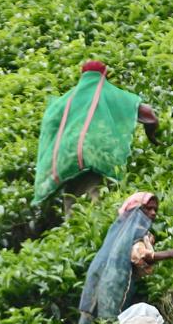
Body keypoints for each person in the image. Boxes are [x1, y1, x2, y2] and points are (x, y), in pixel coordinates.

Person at [32, 60, 161, 215]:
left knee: (73, 209)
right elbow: (150, 115)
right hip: (97, 159)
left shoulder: (67, 100)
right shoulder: (107, 93)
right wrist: (152, 137)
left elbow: (49, 123)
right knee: (97, 203)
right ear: (104, 75)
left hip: (68, 162)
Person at [78, 191, 173, 324]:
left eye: (155, 209)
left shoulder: (116, 229)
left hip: (97, 276)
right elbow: (140, 255)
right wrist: (171, 253)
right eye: (148, 209)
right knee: (110, 323)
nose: (153, 213)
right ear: (135, 210)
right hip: (114, 282)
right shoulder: (135, 232)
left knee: (90, 320)